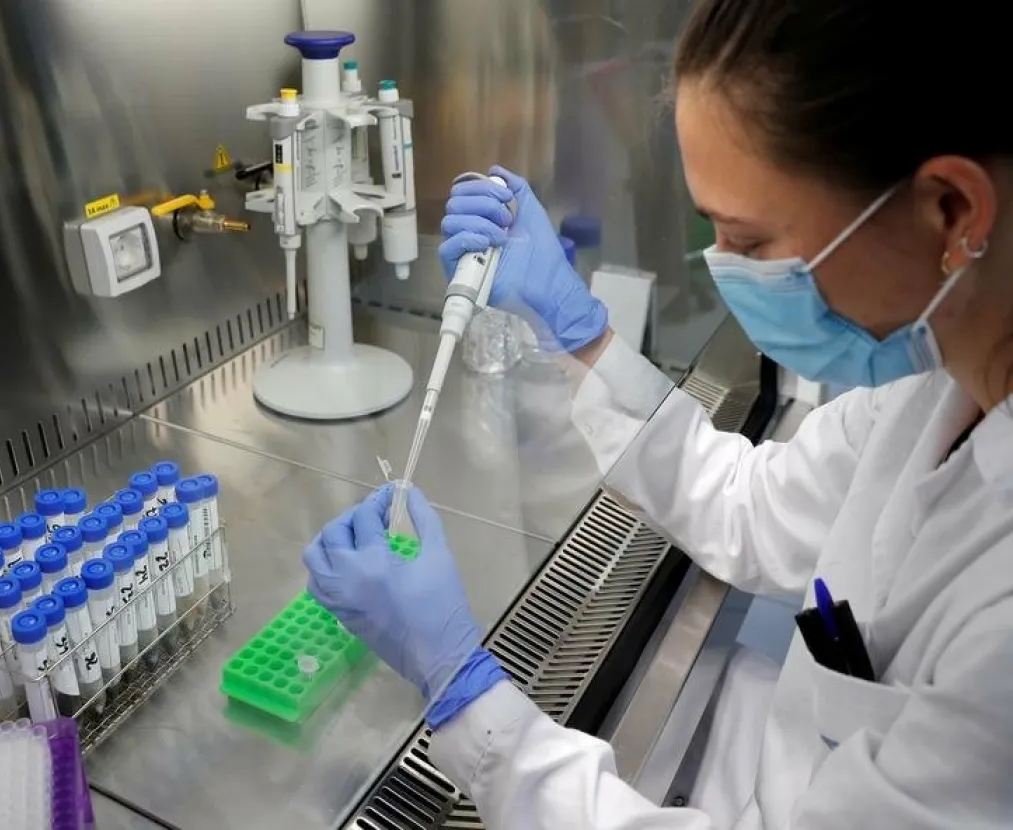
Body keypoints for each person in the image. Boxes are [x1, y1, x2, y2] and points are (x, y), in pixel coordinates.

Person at [303, 0, 1013, 827]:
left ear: (950, 212)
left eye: (750, 243)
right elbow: (756, 510)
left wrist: (463, 691)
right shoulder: (934, 369)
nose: (727, 273)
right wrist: (581, 333)